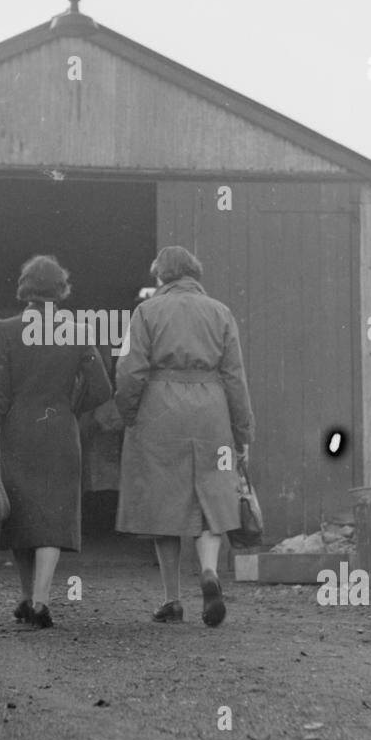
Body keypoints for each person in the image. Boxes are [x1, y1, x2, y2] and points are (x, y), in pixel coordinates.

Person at [115, 245, 255, 627]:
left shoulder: (146, 312)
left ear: (161, 276)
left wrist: (129, 414)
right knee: (210, 494)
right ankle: (209, 573)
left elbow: (130, 371)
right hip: (211, 412)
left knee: (165, 504)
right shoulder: (221, 312)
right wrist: (242, 430)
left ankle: (172, 599)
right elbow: (235, 378)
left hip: (160, 412)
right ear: (195, 274)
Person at [0, 255, 111, 628]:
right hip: (60, 431)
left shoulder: (5, 330)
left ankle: (27, 595)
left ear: (25, 288)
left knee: (20, 516)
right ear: (61, 289)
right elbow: (102, 388)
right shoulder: (78, 330)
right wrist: (69, 407)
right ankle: (41, 601)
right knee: (53, 517)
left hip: (17, 433)